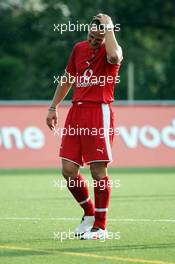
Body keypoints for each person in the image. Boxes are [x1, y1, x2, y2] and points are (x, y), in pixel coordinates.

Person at [46, 13, 123, 240]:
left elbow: (113, 56)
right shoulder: (78, 48)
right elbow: (68, 78)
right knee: (68, 170)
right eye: (90, 36)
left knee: (98, 171)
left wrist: (108, 28)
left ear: (107, 34)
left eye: (98, 38)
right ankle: (88, 214)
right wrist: (53, 107)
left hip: (98, 112)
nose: (92, 41)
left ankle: (100, 227)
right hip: (76, 112)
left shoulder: (112, 50)